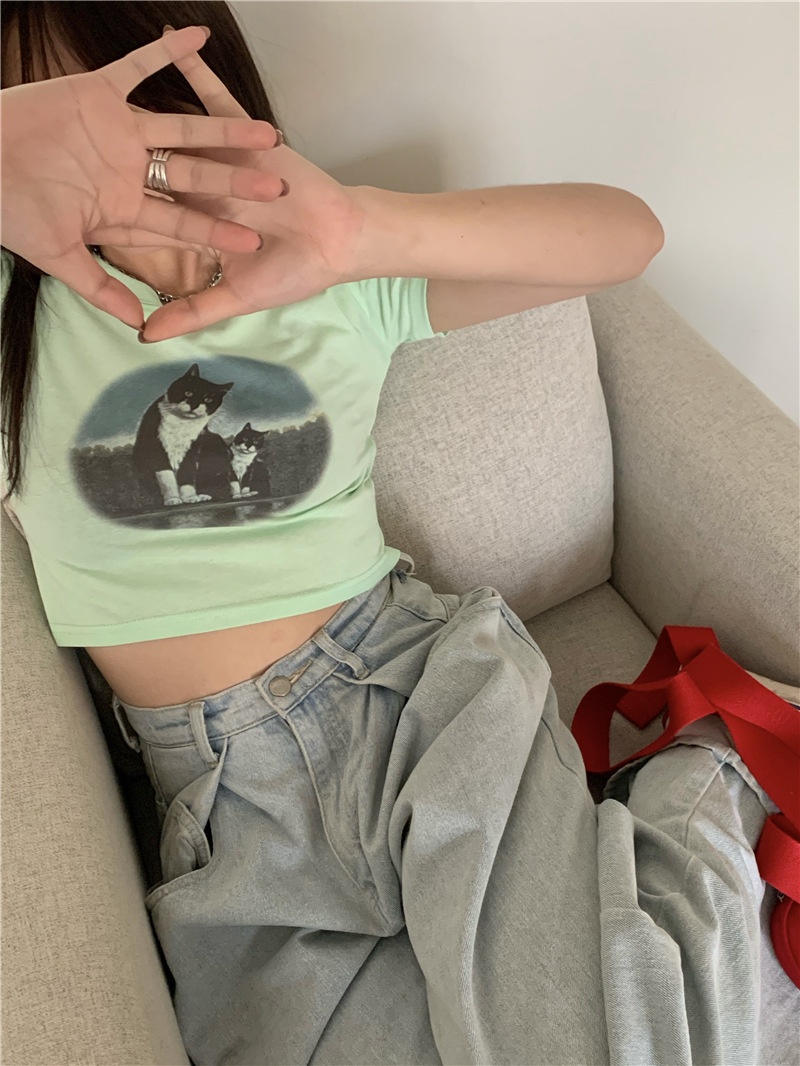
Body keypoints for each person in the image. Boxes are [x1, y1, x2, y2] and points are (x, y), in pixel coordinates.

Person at [0, 4, 780, 1064]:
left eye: (135, 108)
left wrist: (359, 231)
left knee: (602, 1044)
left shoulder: (321, 272)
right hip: (227, 807)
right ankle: (702, 816)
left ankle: (711, 770)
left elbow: (626, 236)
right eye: (54, 129)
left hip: (411, 699)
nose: (110, 162)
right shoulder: (24, 323)